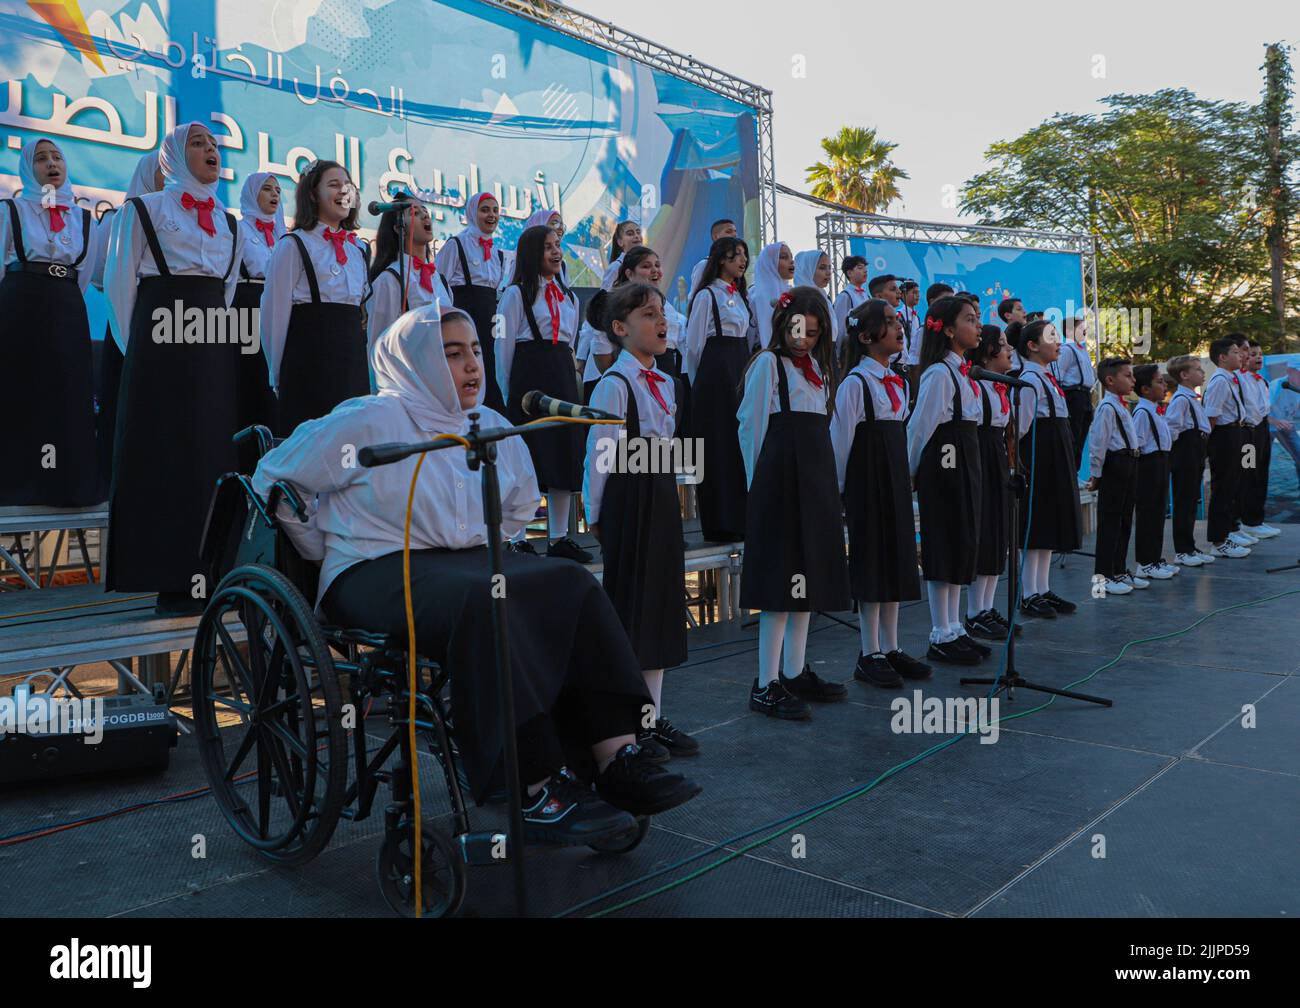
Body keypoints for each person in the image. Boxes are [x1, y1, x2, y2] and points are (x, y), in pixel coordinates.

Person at [253, 303, 700, 843]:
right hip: (374, 570)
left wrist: (486, 541)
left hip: (465, 565)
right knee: (488, 598)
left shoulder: (488, 423)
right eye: (452, 353)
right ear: (415, 360)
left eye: (476, 352)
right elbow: (275, 480)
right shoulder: (368, 418)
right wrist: (319, 548)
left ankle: (616, 756)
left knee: (572, 582)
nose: (472, 366)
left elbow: (518, 502)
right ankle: (536, 785)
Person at [103, 122, 244, 613]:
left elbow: (223, 293)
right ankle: (165, 574)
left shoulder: (231, 223)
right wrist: (144, 352)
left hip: (208, 345)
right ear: (171, 157)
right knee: (163, 451)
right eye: (197, 143)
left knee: (207, 449)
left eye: (213, 144)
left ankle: (211, 573)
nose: (210, 150)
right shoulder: (142, 210)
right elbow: (121, 288)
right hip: (159, 345)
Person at [583, 282, 698, 757]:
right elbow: (601, 453)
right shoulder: (615, 384)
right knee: (633, 607)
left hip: (658, 490)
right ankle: (624, 722)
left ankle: (650, 717)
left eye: (661, 313)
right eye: (648, 315)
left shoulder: (667, 381)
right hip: (629, 499)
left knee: (660, 607)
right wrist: (595, 512)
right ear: (619, 328)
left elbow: (667, 449)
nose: (661, 321)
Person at [738, 287, 851, 718]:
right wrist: (758, 484)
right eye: (797, 328)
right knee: (780, 584)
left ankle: (795, 669)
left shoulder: (819, 371)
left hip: (815, 481)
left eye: (813, 332)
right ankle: (765, 682)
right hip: (780, 482)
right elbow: (750, 426)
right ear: (783, 324)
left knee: (809, 577)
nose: (802, 338)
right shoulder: (769, 364)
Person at [832, 298, 930, 688]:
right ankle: (868, 650)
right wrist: (838, 491)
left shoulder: (898, 381)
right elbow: (839, 443)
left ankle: (890, 646)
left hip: (893, 479)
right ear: (867, 335)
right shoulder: (856, 384)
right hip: (866, 483)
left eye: (897, 321)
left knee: (896, 559)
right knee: (872, 563)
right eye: (889, 322)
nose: (899, 327)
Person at [1, 136, 102, 507]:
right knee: (21, 389)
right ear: (29, 167)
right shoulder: (11, 210)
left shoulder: (84, 218)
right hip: (20, 304)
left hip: (65, 306)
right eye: (41, 158)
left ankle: (63, 484)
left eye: (57, 157)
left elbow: (86, 273)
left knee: (66, 391)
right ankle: (17, 484)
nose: (51, 164)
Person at [497, 224, 588, 562]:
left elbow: (571, 343)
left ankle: (559, 537)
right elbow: (503, 348)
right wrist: (509, 392)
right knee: (528, 456)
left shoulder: (570, 297)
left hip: (560, 374)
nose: (555, 252)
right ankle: (518, 538)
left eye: (557, 245)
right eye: (548, 246)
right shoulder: (515, 294)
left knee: (562, 452)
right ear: (532, 252)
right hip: (528, 376)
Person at [906, 296, 989, 666]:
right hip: (944, 467)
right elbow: (920, 427)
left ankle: (955, 628)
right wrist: (909, 470)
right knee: (945, 542)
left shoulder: (962, 372)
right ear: (950, 330)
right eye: (970, 320)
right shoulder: (940, 373)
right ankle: (940, 631)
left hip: (964, 463)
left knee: (961, 541)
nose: (978, 326)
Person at [262, 159, 369, 435]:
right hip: (310, 365)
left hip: (351, 363)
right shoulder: (294, 245)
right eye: (334, 185)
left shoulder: (358, 250)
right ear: (312, 194)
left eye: (348, 186)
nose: (344, 192)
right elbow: (274, 315)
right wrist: (277, 374)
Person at [90, 151, 161, 495]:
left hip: (168, 327)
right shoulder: (120, 217)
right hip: (129, 322)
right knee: (123, 399)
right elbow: (101, 272)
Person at [683, 236, 755, 542]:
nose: (741, 260)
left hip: (739, 369)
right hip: (715, 378)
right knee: (718, 447)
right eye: (734, 255)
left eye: (743, 255)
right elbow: (694, 347)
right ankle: (720, 522)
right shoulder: (706, 296)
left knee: (739, 445)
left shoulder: (740, 295)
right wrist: (701, 387)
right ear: (720, 260)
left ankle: (743, 517)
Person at [1010, 319, 1082, 618]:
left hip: (1057, 448)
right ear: (1032, 345)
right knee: (1035, 521)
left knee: (1050, 520)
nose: (1058, 344)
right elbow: (1021, 427)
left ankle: (1042, 588)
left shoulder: (1047, 377)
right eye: (1052, 338)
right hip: (1040, 452)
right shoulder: (1028, 379)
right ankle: (1028, 593)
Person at [963, 324, 1020, 640]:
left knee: (997, 533)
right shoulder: (977, 386)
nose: (1009, 349)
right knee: (984, 532)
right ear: (987, 351)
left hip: (997, 454)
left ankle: (985, 607)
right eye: (1002, 344)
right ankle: (974, 612)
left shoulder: (1000, 389)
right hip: (980, 455)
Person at [434, 192, 506, 410]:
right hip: (465, 319)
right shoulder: (456, 244)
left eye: (495, 210)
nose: (491, 215)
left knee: (490, 370)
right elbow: (438, 282)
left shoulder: (498, 253)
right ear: (472, 213)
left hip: (490, 321)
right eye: (485, 210)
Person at [232, 171, 284, 468]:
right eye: (266, 189)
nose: (274, 195)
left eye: (277, 190)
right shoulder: (237, 229)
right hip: (247, 307)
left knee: (273, 382)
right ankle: (246, 460)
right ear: (252, 194)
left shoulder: (284, 235)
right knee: (249, 380)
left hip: (276, 306)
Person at [366, 195, 453, 362]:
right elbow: (378, 345)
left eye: (425, 211)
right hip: (409, 378)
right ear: (399, 228)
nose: (425, 216)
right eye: (414, 212)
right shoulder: (389, 280)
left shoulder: (440, 280)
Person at [1084, 358, 1142, 595]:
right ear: (1110, 380)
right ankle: (1103, 577)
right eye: (1127, 375)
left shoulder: (1122, 405)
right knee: (1110, 522)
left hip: (1130, 461)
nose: (1133, 380)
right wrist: (1096, 474)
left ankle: (1118, 570)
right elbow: (1099, 443)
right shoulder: (1107, 408)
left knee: (1125, 520)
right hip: (1115, 464)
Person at [1202, 337, 1252, 559]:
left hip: (1236, 432)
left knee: (1232, 485)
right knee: (1223, 487)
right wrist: (1209, 444)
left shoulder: (1230, 378)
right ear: (1222, 358)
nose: (1241, 355)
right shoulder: (1220, 381)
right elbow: (1211, 415)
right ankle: (1218, 540)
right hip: (1224, 436)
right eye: (1235, 352)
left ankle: (1226, 532)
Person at [1164, 354, 1216, 567]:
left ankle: (1190, 546)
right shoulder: (1180, 399)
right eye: (1197, 369)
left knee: (1191, 500)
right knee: (1184, 502)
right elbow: (1172, 428)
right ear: (1184, 375)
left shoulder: (1191, 398)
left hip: (1195, 449)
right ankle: (1182, 550)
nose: (1202, 373)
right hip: (1185, 451)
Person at [1131, 363, 1179, 582]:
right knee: (1148, 514)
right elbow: (1137, 444)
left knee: (1158, 512)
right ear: (1145, 389)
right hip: (1149, 464)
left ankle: (1155, 557)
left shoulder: (1156, 410)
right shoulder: (1142, 412)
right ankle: (1145, 562)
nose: (1165, 385)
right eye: (1159, 382)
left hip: (1161, 461)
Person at [1238, 339, 1281, 540]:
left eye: (1260, 354)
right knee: (1249, 475)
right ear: (1243, 357)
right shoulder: (1237, 379)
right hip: (1248, 433)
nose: (1258, 358)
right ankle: (1247, 521)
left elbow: (1264, 409)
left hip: (1263, 429)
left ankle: (1256, 519)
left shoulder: (1262, 381)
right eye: (1253, 354)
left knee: (1262, 474)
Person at [1053, 314, 1096, 474]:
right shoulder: (1067, 349)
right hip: (1073, 395)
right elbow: (1059, 375)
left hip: (1085, 395)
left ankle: (1075, 471)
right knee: (1073, 435)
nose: (1084, 330)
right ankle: (1069, 472)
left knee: (1082, 435)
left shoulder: (1083, 350)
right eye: (1080, 327)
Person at [749, 241, 794, 349]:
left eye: (791, 257)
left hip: (791, 354)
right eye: (784, 257)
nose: (791, 261)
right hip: (763, 355)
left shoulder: (793, 293)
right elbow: (749, 334)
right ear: (769, 263)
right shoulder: (755, 295)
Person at [793, 249, 840, 351]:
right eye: (822, 268)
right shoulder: (799, 298)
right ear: (807, 270)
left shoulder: (824, 297)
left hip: (827, 353)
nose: (828, 273)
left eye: (829, 268)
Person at [1268, 362, 1300, 495]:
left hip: (1286, 425)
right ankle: (1252, 492)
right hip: (1267, 426)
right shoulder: (1276, 386)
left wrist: (1288, 419)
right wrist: (1276, 421)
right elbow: (1260, 411)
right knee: (1258, 460)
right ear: (1289, 372)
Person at [832, 255, 870, 357]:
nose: (865, 271)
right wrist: (838, 355)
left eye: (865, 268)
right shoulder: (845, 296)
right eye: (860, 268)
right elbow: (840, 327)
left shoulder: (866, 295)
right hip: (852, 350)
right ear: (849, 273)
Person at [689, 218, 737, 294]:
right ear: (715, 237)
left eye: (735, 232)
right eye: (729, 231)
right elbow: (694, 296)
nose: (734, 235)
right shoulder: (704, 265)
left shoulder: (735, 266)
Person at [599, 219, 643, 290]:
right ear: (620, 242)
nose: (636, 236)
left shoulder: (645, 264)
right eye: (630, 234)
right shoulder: (615, 268)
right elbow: (604, 298)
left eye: (638, 232)